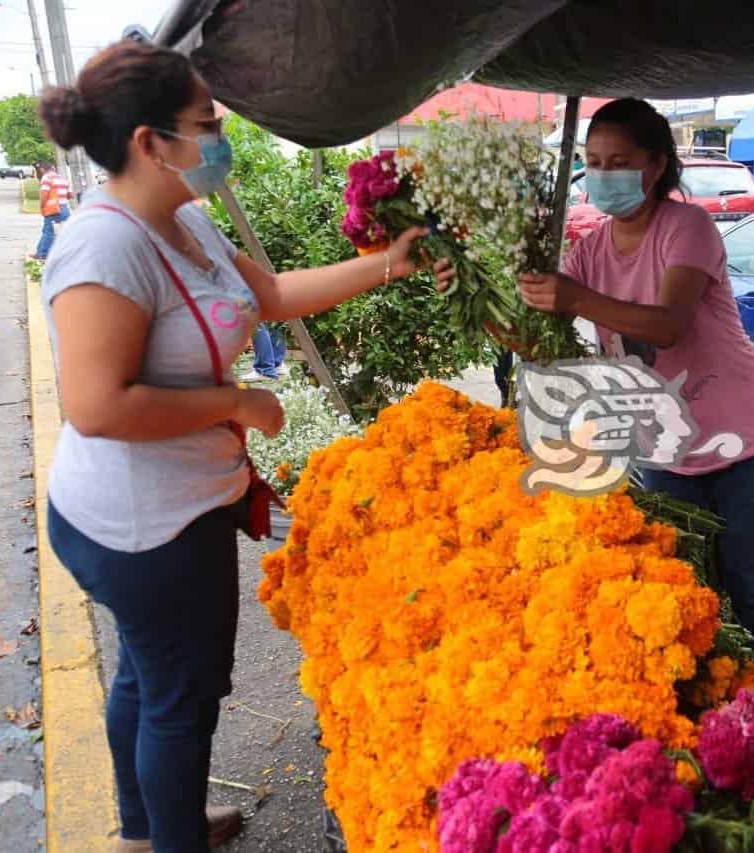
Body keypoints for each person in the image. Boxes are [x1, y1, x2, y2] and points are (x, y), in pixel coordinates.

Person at [37, 40, 453, 853]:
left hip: (179, 505)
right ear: (151, 143)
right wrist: (236, 400)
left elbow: (266, 296)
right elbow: (95, 405)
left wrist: (387, 266)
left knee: (146, 676)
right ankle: (171, 836)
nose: (221, 135)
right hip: (142, 526)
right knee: (180, 700)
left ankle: (143, 828)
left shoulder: (179, 219)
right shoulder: (106, 246)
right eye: (207, 123)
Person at [513, 98, 754, 642]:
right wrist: (488, 299)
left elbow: (667, 327)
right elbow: (539, 339)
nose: (603, 174)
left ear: (657, 165)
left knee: (746, 579)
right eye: (594, 162)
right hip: (666, 449)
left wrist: (574, 298)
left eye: (619, 162)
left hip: (741, 439)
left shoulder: (687, 228)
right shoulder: (590, 251)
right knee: (678, 584)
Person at [29, 159, 71, 261]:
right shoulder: (62, 178)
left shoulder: (46, 178)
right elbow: (70, 194)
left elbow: (44, 194)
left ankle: (43, 254)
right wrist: (61, 197)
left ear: (43, 169)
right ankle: (41, 252)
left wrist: (42, 206)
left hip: (53, 208)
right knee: (56, 232)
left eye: (40, 169)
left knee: (48, 232)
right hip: (65, 208)